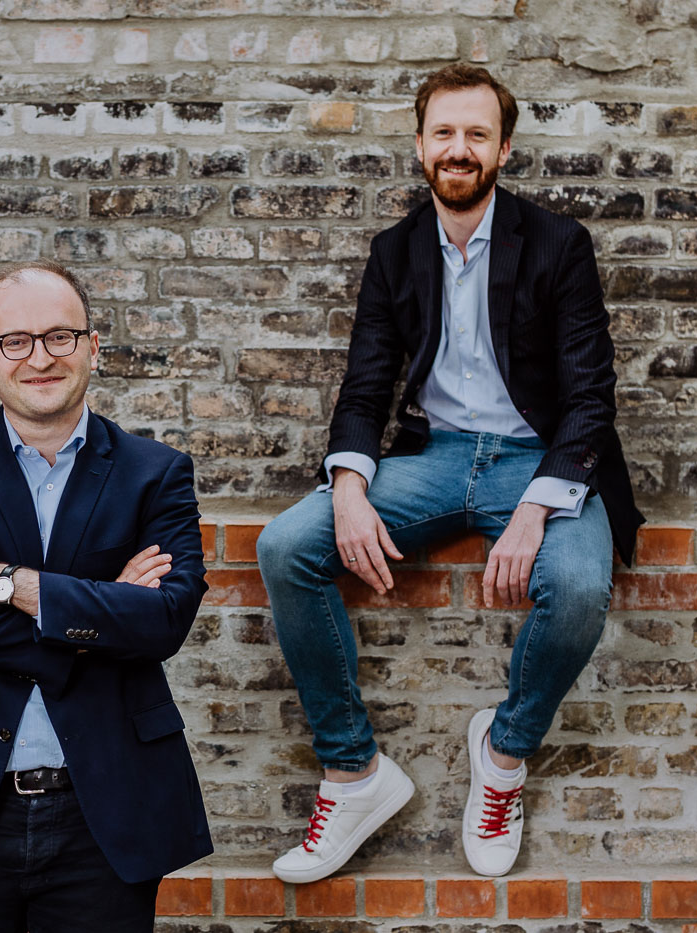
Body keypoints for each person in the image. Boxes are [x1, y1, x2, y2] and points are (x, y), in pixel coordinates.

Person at [256, 63, 643, 881]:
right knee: (288, 543)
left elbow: (589, 393)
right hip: (431, 462)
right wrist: (351, 490)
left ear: (502, 148)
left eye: (476, 134)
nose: (457, 149)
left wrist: (538, 509)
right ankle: (354, 770)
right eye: (443, 133)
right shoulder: (394, 253)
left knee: (576, 585)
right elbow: (366, 386)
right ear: (421, 144)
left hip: (536, 464)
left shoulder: (558, 245)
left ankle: (503, 753)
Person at [0, 259, 212, 931]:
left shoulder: (157, 474)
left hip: (106, 812)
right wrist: (97, 611)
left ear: (94, 346)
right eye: (15, 341)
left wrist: (12, 585)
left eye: (60, 336)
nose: (39, 357)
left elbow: (164, 619)